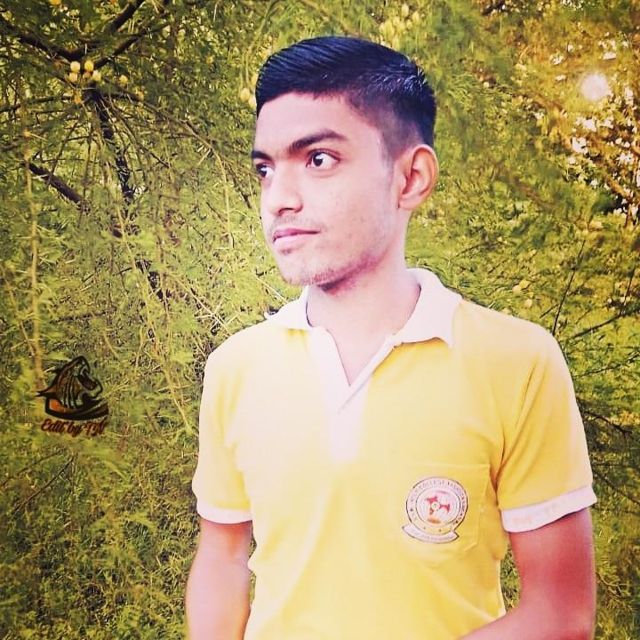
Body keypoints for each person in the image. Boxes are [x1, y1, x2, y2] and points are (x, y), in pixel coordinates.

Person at [185, 36, 596, 639]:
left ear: (410, 178)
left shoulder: (516, 362)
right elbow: (222, 559)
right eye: (266, 169)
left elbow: (561, 613)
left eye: (318, 159)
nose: (280, 200)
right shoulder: (235, 368)